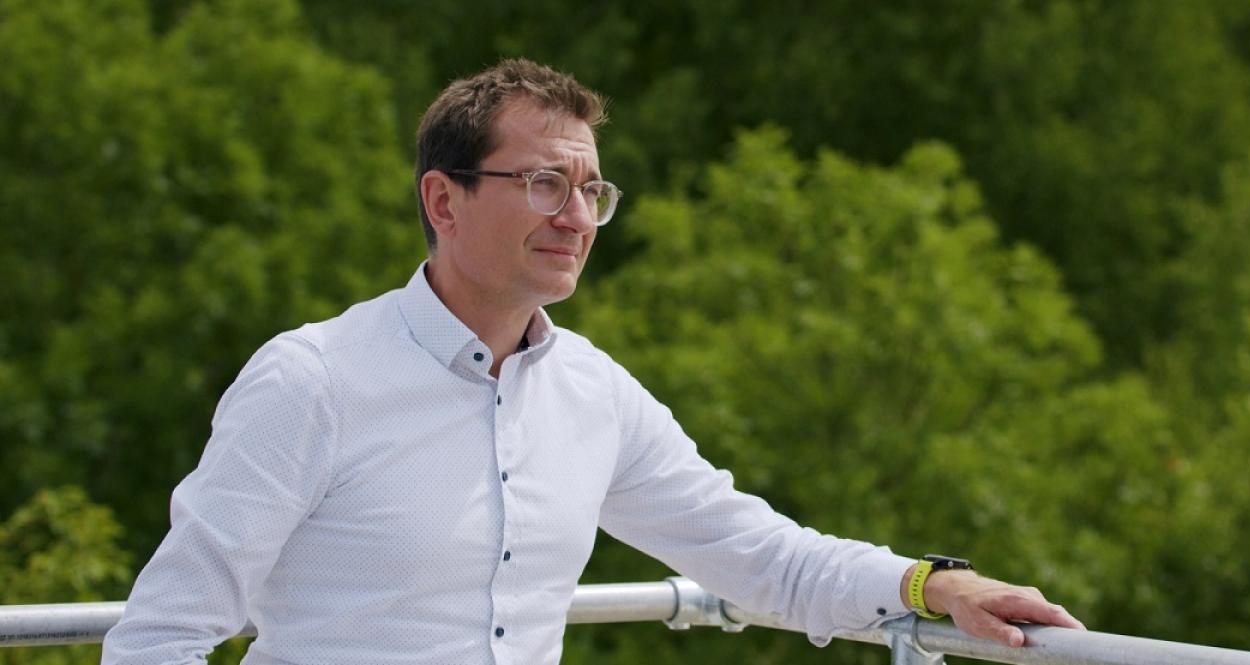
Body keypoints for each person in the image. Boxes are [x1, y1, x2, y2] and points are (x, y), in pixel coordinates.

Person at [101, 59, 1084, 665]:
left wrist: (932, 586)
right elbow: (158, 638)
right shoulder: (310, 381)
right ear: (443, 203)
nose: (576, 217)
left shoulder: (594, 396)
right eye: (541, 184)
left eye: (590, 189)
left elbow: (760, 555)